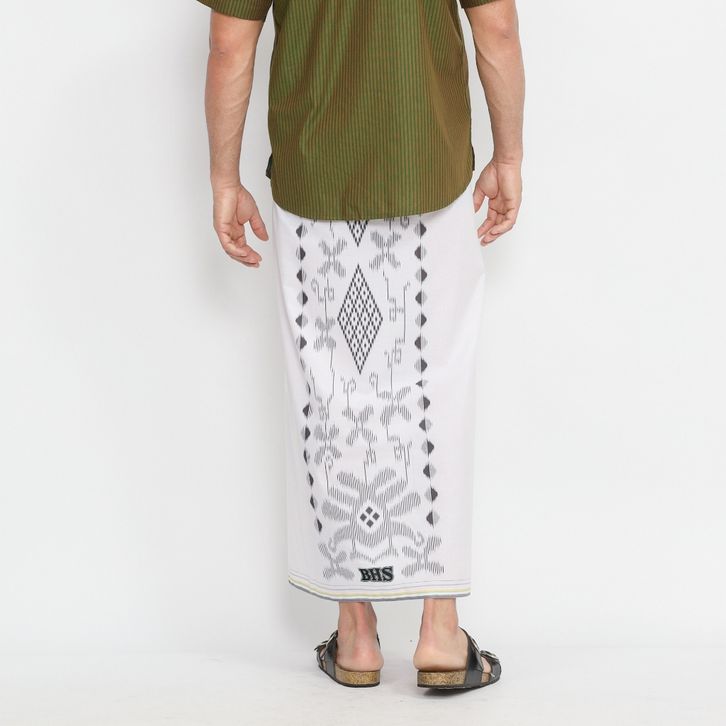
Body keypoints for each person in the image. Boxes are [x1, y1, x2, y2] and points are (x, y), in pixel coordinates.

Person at [197, 0, 524, 690]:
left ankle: (356, 636)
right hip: (428, 159)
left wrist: (224, 179)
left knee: (332, 390)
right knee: (436, 384)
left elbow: (230, 45)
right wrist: (510, 155)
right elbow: (495, 25)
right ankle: (440, 631)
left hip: (314, 167)